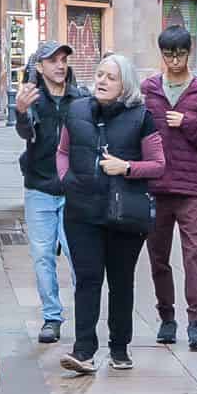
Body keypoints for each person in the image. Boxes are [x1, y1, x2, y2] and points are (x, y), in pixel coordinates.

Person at [55, 54, 166, 376]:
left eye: (111, 77)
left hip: (124, 215)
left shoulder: (141, 116)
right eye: (100, 75)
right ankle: (83, 352)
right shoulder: (75, 110)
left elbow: (159, 165)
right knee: (87, 280)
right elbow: (62, 151)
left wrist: (127, 167)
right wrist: (66, 181)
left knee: (120, 281)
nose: (102, 81)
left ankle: (119, 347)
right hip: (81, 212)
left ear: (125, 85)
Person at [142, 25, 197, 351]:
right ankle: (166, 318)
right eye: (168, 54)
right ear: (161, 53)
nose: (174, 60)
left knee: (194, 255)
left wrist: (188, 123)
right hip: (156, 184)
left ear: (189, 53)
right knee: (158, 256)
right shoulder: (149, 89)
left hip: (192, 186)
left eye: (179, 54)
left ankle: (196, 323)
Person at [14, 42, 84, 343]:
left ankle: (85, 313)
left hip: (72, 190)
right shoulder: (33, 98)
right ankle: (51, 317)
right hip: (39, 187)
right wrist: (21, 112)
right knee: (43, 255)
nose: (59, 65)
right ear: (39, 66)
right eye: (52, 60)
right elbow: (26, 134)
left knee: (78, 254)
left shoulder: (80, 99)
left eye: (63, 59)